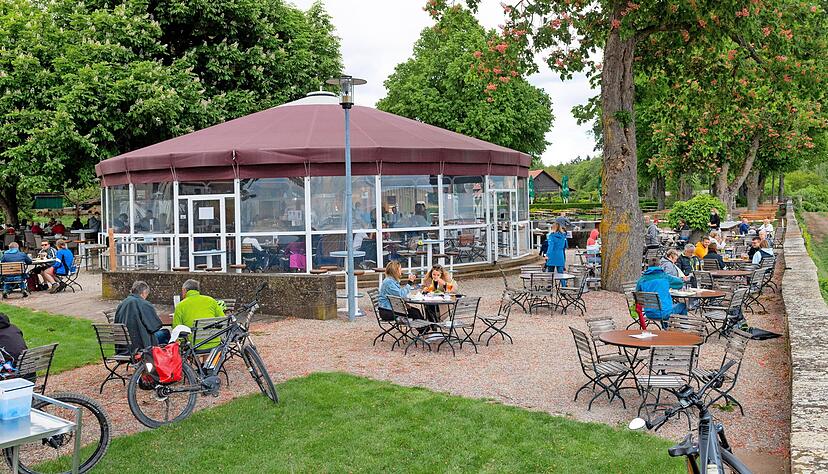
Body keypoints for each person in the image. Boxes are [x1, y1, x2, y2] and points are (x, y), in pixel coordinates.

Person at [114, 281, 169, 354]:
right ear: (144, 293)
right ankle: (162, 357)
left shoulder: (121, 304)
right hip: (140, 346)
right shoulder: (143, 304)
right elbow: (155, 327)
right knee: (165, 332)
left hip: (123, 348)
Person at [636, 256, 687, 329]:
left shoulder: (642, 279)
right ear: (659, 265)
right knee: (682, 306)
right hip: (664, 313)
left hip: (649, 313)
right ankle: (684, 329)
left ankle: (665, 328)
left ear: (648, 266)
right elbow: (680, 283)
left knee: (663, 306)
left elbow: (638, 293)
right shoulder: (665, 277)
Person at [172, 279, 225, 349]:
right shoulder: (211, 300)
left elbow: (176, 328)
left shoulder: (180, 305)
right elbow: (223, 319)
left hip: (194, 345)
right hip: (214, 343)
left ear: (184, 290)